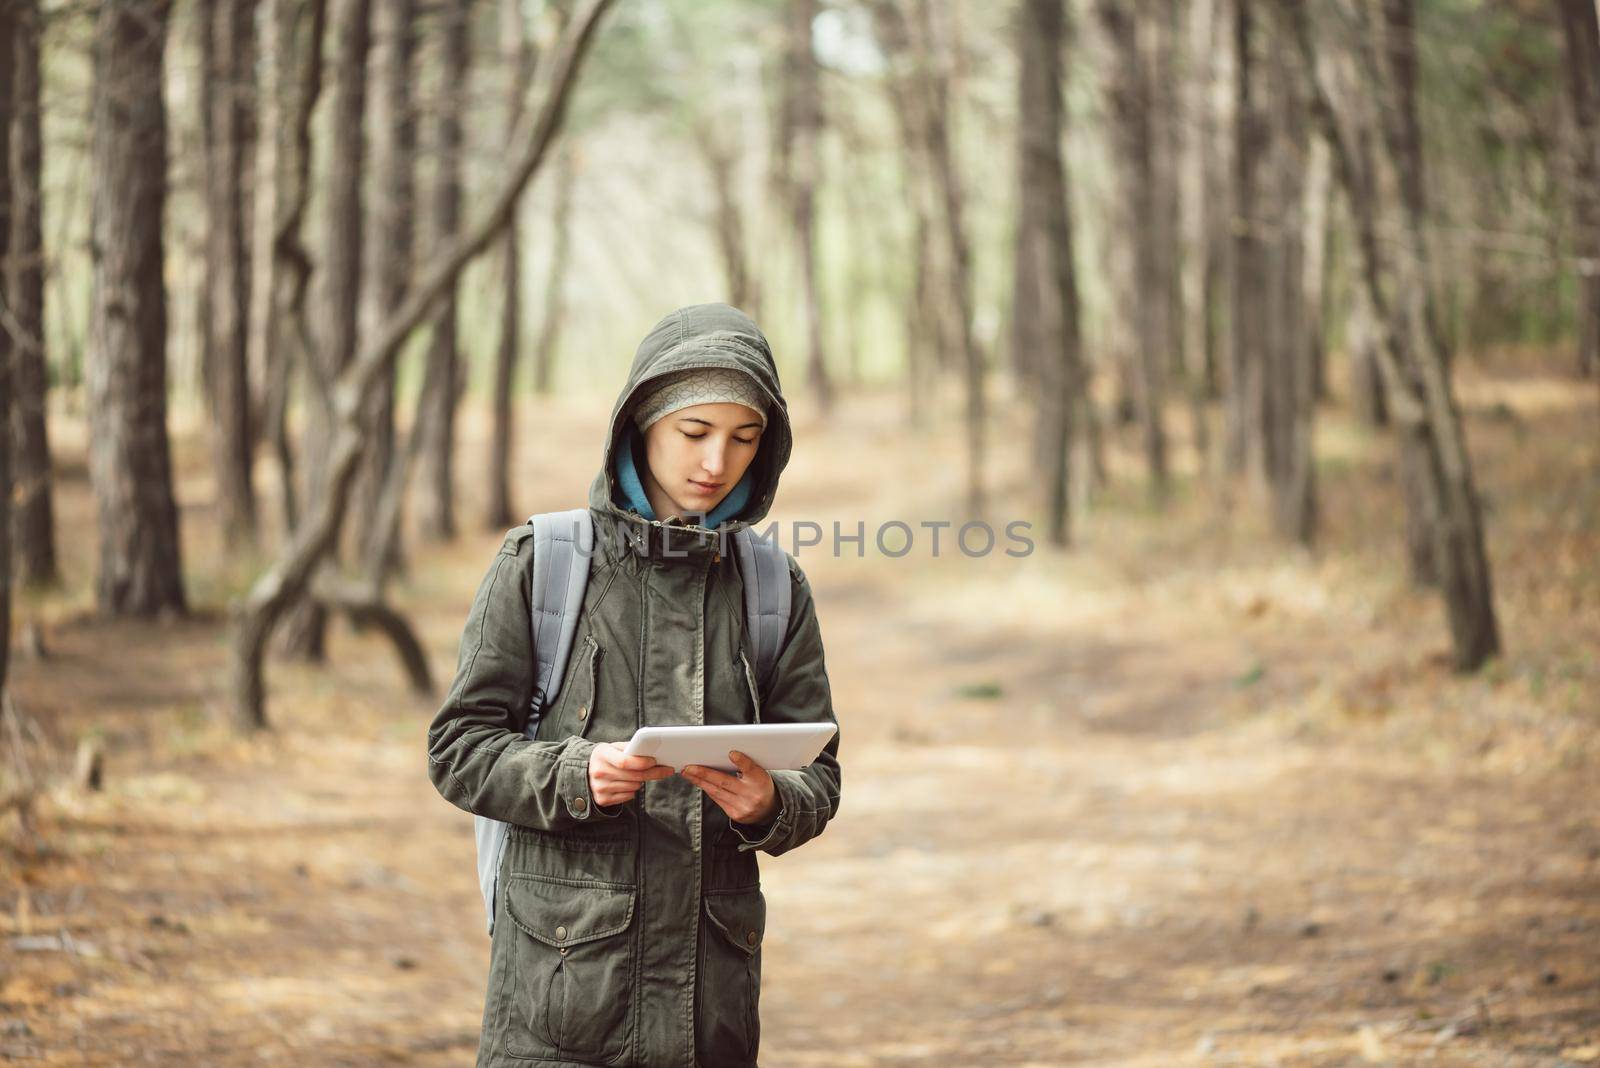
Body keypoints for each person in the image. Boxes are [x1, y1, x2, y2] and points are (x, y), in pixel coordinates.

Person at [426, 302, 844, 1068]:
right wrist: (575, 772)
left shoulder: (774, 586)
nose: (716, 463)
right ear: (641, 422)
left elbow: (818, 771)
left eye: (744, 439)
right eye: (694, 433)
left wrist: (774, 804)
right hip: (559, 1007)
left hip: (708, 1014)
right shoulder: (541, 562)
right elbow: (458, 749)